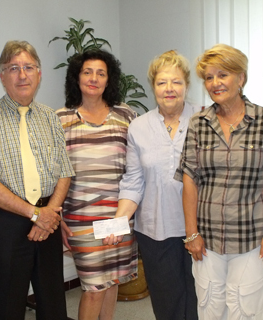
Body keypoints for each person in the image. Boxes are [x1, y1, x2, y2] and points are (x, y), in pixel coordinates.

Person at [174, 43, 263, 319]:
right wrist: (191, 233)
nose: (215, 83)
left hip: (252, 236)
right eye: (208, 77)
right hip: (207, 238)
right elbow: (189, 178)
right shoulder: (198, 123)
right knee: (210, 308)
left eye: (223, 75)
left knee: (247, 310)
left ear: (241, 78)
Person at [0, 40, 75, 320]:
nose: (22, 75)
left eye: (29, 67)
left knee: (53, 304)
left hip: (48, 218)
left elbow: (64, 171)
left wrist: (48, 213)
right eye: (13, 68)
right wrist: (34, 214)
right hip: (7, 222)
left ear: (39, 74)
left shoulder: (50, 117)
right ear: (2, 76)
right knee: (8, 306)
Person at [103, 50, 198, 320]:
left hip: (199, 230)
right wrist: (120, 220)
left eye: (176, 82)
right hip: (155, 232)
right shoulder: (138, 127)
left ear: (187, 86)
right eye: (162, 82)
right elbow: (133, 181)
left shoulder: (204, 120)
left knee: (201, 303)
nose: (169, 89)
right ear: (153, 86)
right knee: (167, 305)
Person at [56, 49, 138, 320]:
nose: (94, 78)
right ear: (76, 77)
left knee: (112, 279)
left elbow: (139, 164)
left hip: (119, 214)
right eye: (87, 72)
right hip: (80, 219)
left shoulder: (126, 116)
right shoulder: (61, 120)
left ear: (109, 79)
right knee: (93, 286)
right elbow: (53, 172)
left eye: (101, 73)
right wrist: (57, 216)